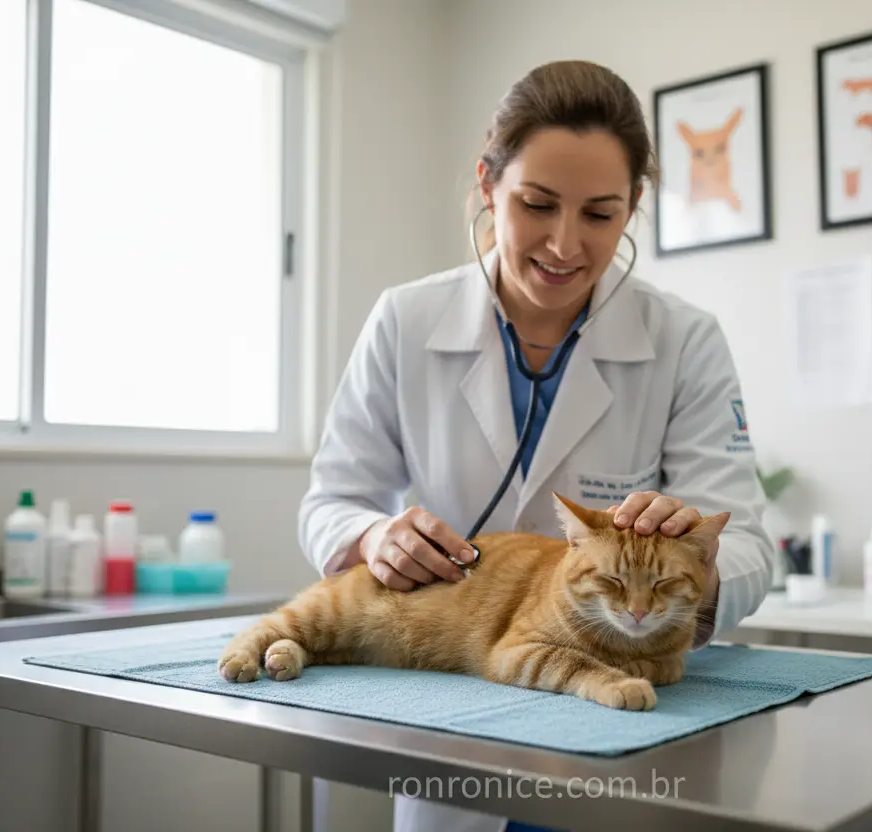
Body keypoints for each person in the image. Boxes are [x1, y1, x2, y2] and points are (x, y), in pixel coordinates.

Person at [298, 59, 774, 832]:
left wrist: (701, 555)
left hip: (620, 717)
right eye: (536, 204)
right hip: (453, 712)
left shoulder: (685, 339)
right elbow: (331, 501)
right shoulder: (406, 321)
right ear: (488, 184)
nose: (564, 244)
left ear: (635, 207)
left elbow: (748, 538)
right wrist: (372, 534)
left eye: (599, 214)